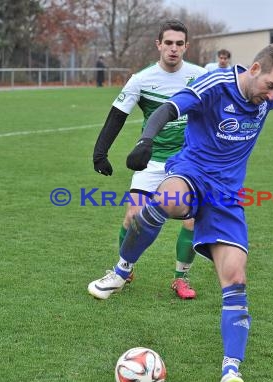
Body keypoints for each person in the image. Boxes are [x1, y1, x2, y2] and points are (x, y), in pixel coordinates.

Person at [89, 41, 273, 382]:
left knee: (236, 278)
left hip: (226, 197)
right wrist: (146, 139)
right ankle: (122, 270)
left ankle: (230, 370)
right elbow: (171, 107)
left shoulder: (272, 94)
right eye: (271, 86)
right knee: (166, 200)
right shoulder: (214, 84)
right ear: (255, 70)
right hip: (192, 172)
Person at [89, 19, 207, 300]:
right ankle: (125, 269)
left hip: (188, 162)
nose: (174, 49)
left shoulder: (201, 76)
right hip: (152, 160)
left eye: (179, 44)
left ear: (186, 46)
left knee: (191, 222)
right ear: (159, 45)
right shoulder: (142, 79)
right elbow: (117, 115)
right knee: (133, 215)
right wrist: (100, 152)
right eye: (168, 43)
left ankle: (181, 278)